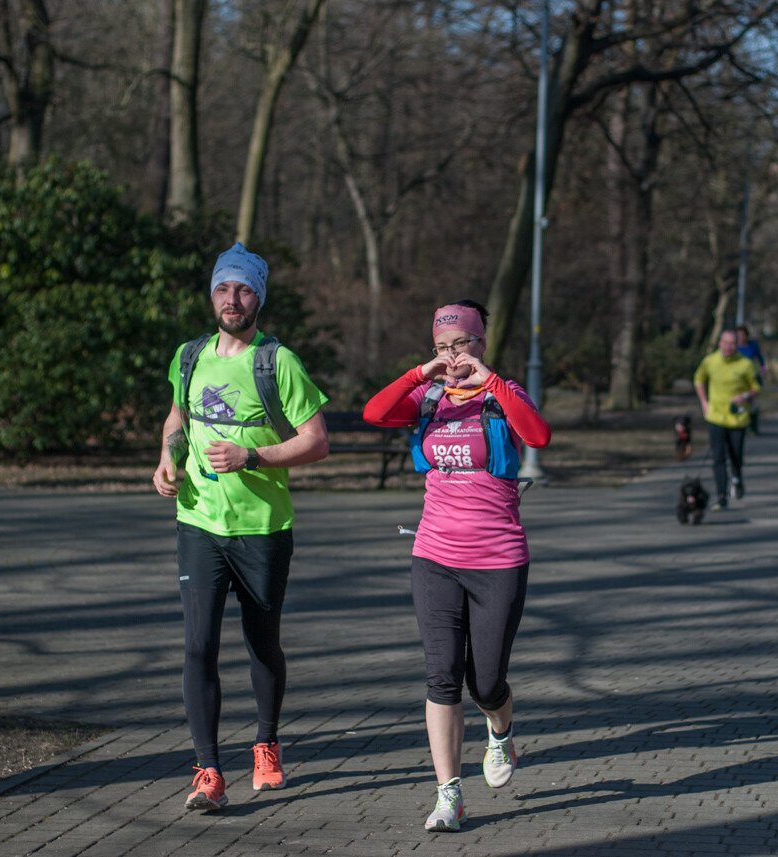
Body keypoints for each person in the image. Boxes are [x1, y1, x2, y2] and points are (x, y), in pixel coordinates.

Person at [152, 242, 330, 812]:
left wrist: (252, 458)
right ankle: (207, 770)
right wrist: (166, 458)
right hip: (198, 522)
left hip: (262, 528)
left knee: (261, 643)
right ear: (212, 295)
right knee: (198, 646)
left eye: (244, 289)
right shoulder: (188, 356)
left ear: (259, 298)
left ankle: (266, 743)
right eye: (223, 289)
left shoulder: (278, 363)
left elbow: (317, 441)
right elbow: (179, 414)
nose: (232, 299)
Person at [362, 301, 550, 833]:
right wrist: (420, 373)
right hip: (434, 556)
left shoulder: (505, 394)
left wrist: (491, 381)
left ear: (480, 343)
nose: (451, 355)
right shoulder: (428, 398)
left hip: (498, 558)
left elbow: (538, 437)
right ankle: (449, 796)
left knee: (485, 683)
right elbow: (375, 413)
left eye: (460, 344)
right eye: (442, 346)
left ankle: (500, 730)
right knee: (440, 677)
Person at [694, 330, 760, 511]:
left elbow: (756, 387)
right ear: (719, 343)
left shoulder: (745, 364)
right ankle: (721, 496)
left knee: (735, 456)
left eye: (732, 343)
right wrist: (704, 403)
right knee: (718, 457)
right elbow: (699, 379)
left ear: (737, 345)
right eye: (726, 343)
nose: (729, 347)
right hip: (715, 416)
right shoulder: (710, 361)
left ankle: (737, 477)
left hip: (737, 418)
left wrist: (745, 396)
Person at [734, 324, 767, 434]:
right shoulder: (734, 348)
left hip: (751, 377)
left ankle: (752, 425)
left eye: (742, 335)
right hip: (738, 379)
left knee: (750, 402)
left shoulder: (753, 346)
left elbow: (760, 359)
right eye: (738, 335)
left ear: (747, 336)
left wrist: (763, 370)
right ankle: (741, 424)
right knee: (740, 401)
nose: (741, 337)